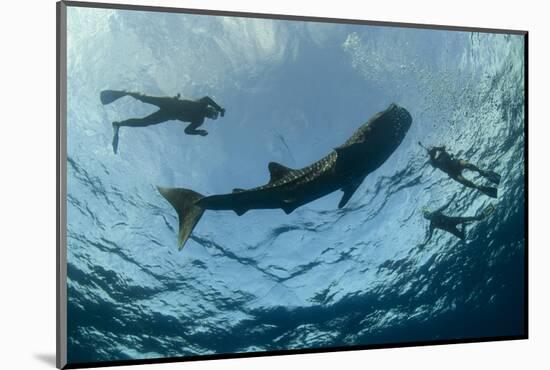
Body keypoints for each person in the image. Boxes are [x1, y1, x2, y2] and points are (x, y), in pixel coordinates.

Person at [100, 90, 226, 153]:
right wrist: (219, 108)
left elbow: (187, 131)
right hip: (170, 102)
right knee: (144, 98)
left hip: (169, 114)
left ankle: (119, 124)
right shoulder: (203, 103)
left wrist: (198, 132)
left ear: (210, 118)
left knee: (145, 122)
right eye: (213, 112)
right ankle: (125, 92)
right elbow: (208, 98)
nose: (212, 114)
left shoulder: (199, 121)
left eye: (213, 116)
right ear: (211, 108)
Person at [419, 142, 501, 198]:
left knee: (467, 164)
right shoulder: (434, 162)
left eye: (432, 150)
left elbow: (444, 147)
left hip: (456, 163)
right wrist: (431, 155)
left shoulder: (441, 152)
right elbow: (432, 162)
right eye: (430, 152)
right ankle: (478, 187)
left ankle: (482, 172)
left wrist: (436, 148)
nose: (432, 152)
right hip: (452, 173)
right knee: (464, 182)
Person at [422, 194, 495, 243]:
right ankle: (464, 225)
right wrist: (424, 244)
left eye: (427, 214)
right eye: (426, 215)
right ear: (427, 218)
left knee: (478, 218)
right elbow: (430, 237)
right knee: (463, 238)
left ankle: (492, 207)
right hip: (450, 228)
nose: (427, 215)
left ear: (429, 212)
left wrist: (452, 198)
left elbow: (446, 206)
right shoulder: (432, 225)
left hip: (453, 220)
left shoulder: (435, 213)